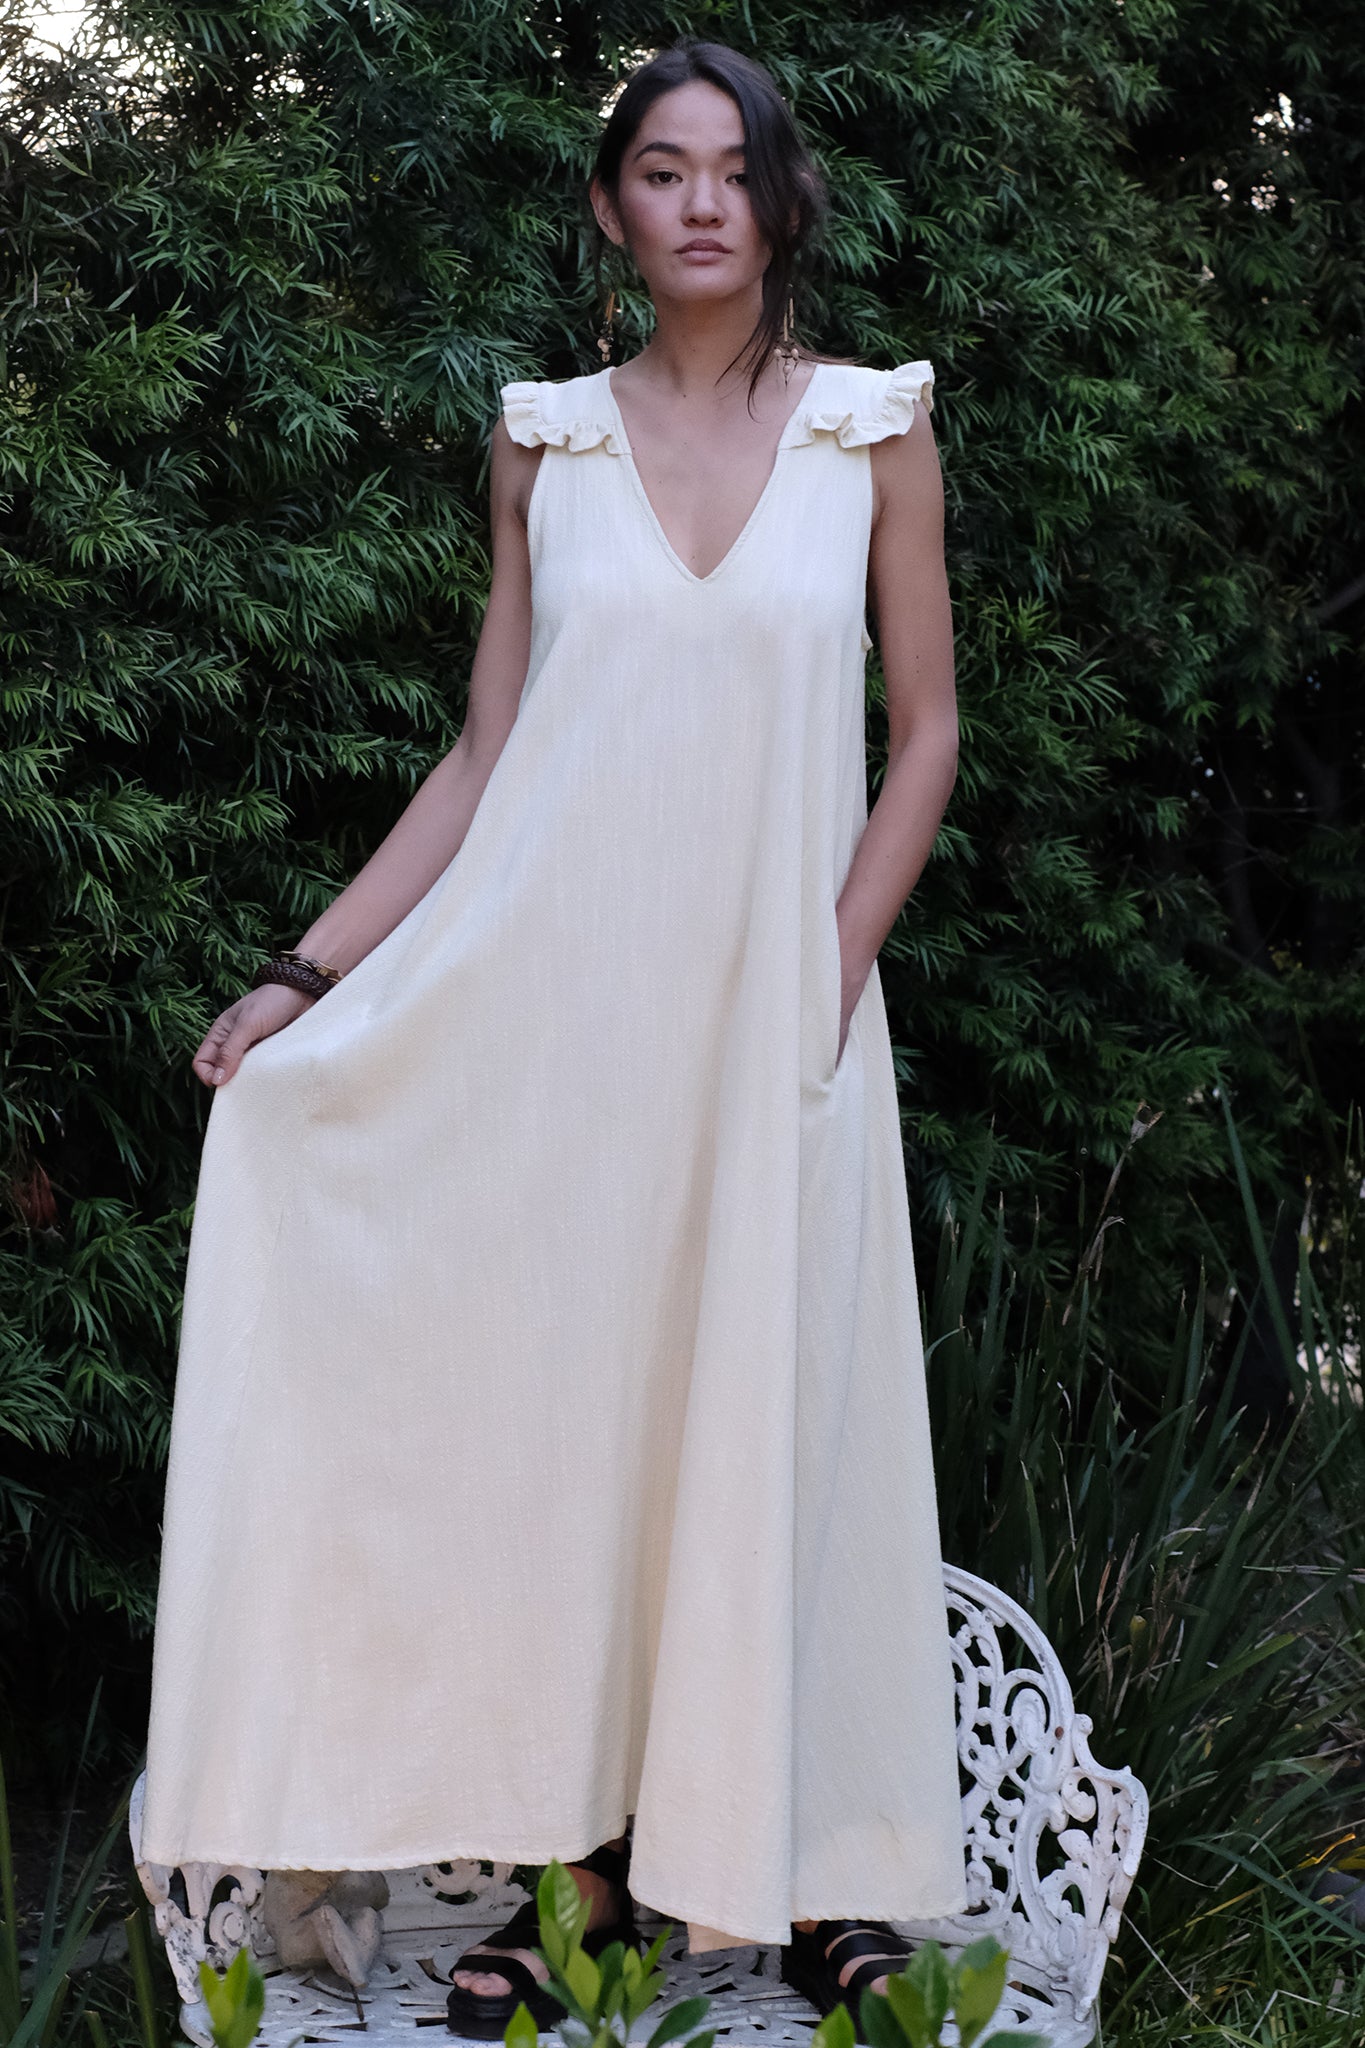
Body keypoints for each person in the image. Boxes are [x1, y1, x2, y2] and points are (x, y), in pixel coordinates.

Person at [140, 36, 967, 2044]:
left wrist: (833, 966)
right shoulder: (544, 445)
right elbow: (486, 748)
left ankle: (815, 1876)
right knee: (580, 1436)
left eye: (731, 169)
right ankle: (566, 1886)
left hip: (778, 1031)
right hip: (560, 1035)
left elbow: (927, 730)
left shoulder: (872, 431)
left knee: (788, 1409)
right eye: (658, 170)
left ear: (779, 206)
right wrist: (309, 980)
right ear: (609, 210)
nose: (698, 200)